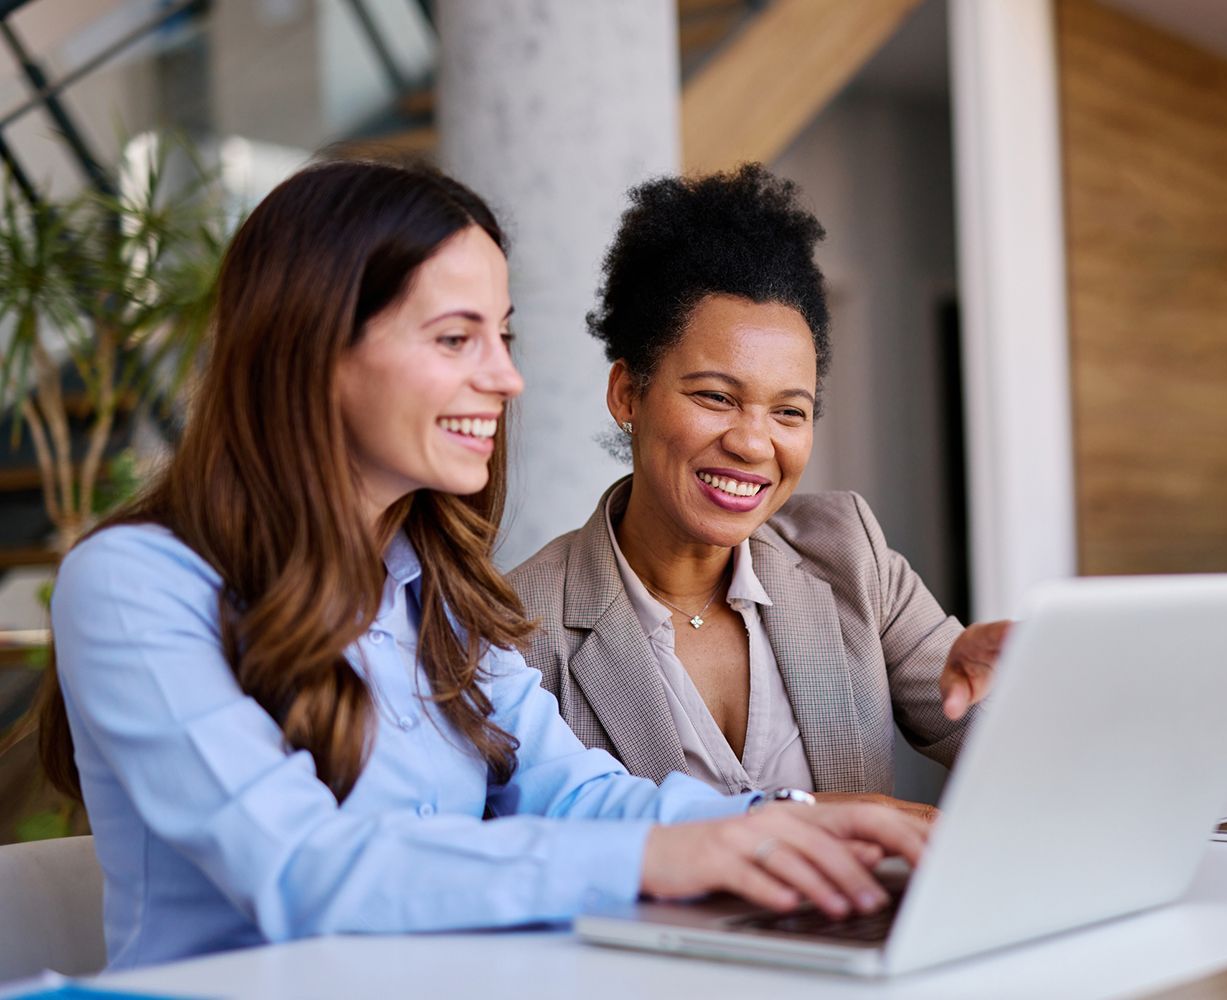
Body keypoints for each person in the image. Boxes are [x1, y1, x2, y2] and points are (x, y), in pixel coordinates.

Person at [33, 159, 926, 971]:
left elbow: (572, 794)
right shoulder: (133, 585)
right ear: (313, 348)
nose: (507, 377)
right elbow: (300, 870)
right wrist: (665, 856)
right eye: (457, 339)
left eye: (502, 336)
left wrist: (787, 825)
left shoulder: (440, 592)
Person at [510, 165, 1011, 816]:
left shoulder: (852, 564)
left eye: (789, 412)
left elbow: (1019, 754)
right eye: (716, 397)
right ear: (627, 393)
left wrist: (1014, 696)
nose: (754, 443)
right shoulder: (521, 629)